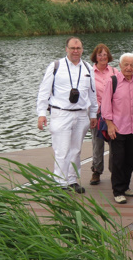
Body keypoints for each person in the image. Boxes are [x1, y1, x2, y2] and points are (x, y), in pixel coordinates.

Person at [37, 37, 98, 193]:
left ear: (82, 49)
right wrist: (41, 113)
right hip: (61, 113)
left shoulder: (87, 68)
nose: (75, 51)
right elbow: (44, 91)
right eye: (72, 48)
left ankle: (72, 180)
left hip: (81, 115)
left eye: (78, 48)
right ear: (66, 49)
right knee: (62, 150)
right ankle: (59, 184)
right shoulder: (56, 66)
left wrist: (93, 114)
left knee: (76, 150)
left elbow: (92, 93)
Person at [101, 53, 133, 204]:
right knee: (118, 160)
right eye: (126, 64)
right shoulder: (113, 81)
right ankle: (118, 191)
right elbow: (105, 105)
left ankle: (125, 186)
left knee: (130, 159)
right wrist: (109, 124)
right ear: (120, 65)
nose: (129, 68)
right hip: (117, 128)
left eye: (132, 65)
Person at [89, 43, 117, 186]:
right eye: (100, 54)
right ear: (95, 56)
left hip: (112, 113)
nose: (102, 57)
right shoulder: (89, 72)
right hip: (97, 113)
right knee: (97, 143)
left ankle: (114, 171)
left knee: (114, 143)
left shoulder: (113, 71)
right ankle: (96, 171)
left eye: (105, 54)